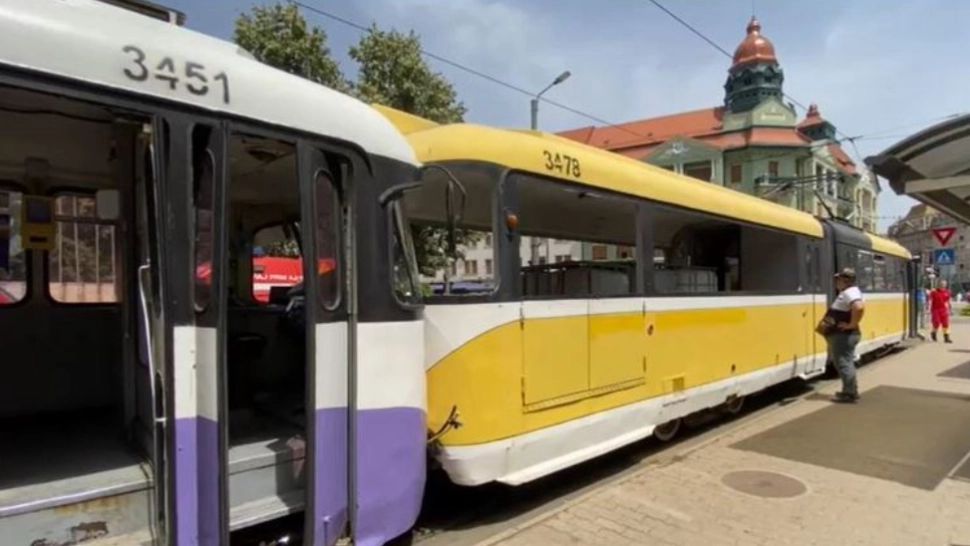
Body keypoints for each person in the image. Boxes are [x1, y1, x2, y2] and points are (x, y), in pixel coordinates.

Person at [825, 268, 865, 403]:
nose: (836, 282)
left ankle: (849, 394)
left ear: (845, 281)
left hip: (844, 335)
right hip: (844, 335)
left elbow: (858, 307)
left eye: (838, 279)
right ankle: (851, 390)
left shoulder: (850, 292)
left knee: (843, 364)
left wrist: (851, 325)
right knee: (846, 363)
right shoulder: (850, 292)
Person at [930, 279, 953, 343]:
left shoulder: (947, 292)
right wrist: (927, 308)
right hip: (935, 310)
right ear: (939, 284)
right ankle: (933, 333)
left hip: (944, 310)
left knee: (945, 324)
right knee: (936, 323)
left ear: (946, 285)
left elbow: (948, 301)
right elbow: (930, 300)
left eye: (944, 284)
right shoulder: (934, 292)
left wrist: (950, 309)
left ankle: (946, 338)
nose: (943, 285)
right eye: (941, 284)